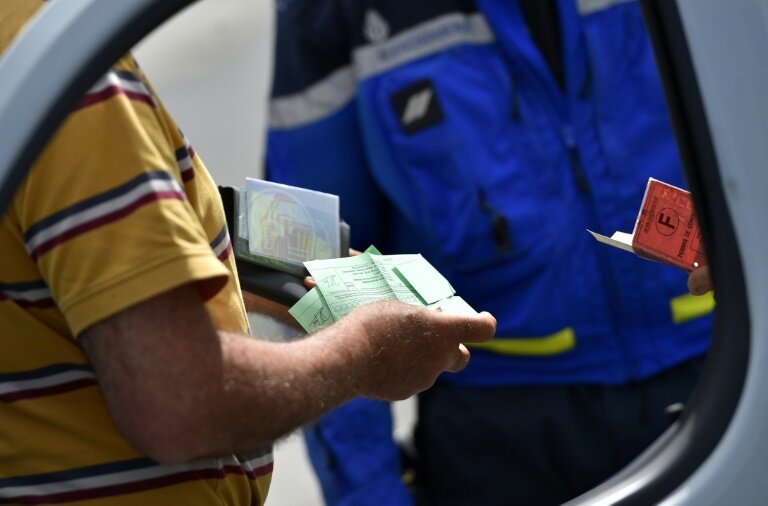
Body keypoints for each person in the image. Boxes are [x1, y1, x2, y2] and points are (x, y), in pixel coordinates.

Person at [0, 2, 497, 505]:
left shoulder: (32, 54)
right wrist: (366, 353)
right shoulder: (76, 86)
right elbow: (179, 401)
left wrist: (283, 255)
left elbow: (103, 239)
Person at [265, 0, 716, 505]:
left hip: (731, 373)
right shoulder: (326, 12)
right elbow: (305, 256)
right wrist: (369, 494)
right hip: (498, 439)